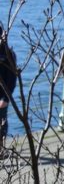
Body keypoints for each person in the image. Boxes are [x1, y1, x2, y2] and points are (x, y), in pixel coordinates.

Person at [0, 24, 17, 155]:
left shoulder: (8, 54)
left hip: (2, 95)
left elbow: (11, 78)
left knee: (1, 122)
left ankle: (1, 148)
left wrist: (6, 98)